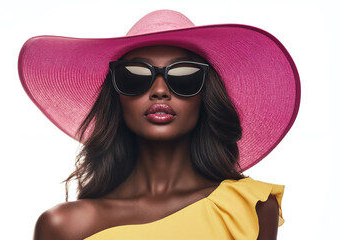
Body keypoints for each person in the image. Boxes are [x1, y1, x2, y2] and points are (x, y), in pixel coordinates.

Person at [18, 10, 300, 240]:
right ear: (116, 97)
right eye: (135, 76)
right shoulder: (63, 226)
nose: (160, 91)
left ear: (206, 96)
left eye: (185, 77)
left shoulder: (250, 207)